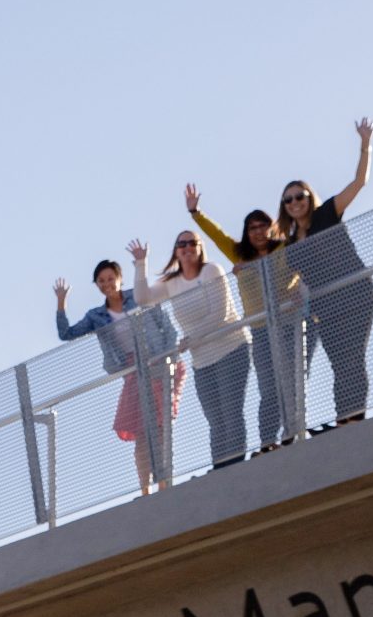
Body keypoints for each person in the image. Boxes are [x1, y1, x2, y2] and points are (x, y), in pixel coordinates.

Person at [278, 118, 373, 428]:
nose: (295, 202)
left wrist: (365, 144)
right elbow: (292, 279)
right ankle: (343, 420)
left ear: (309, 197)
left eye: (300, 196)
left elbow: (359, 182)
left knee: (352, 359)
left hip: (355, 292)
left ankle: (353, 419)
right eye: (289, 199)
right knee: (338, 363)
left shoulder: (328, 213)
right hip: (326, 305)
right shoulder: (291, 244)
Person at [54, 253, 182, 494]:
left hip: (157, 362)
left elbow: (165, 324)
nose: (107, 285)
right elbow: (67, 334)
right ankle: (145, 489)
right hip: (133, 371)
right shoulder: (96, 315)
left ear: (120, 278)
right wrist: (61, 303)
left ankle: (165, 484)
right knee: (141, 431)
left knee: (160, 425)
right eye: (101, 281)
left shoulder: (140, 296)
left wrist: (169, 355)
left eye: (110, 279)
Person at [188, 187, 298, 453]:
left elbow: (302, 260)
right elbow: (217, 237)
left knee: (291, 381)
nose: (258, 232)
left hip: (287, 323)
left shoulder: (285, 248)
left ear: (272, 228)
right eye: (252, 228)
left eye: (262, 226)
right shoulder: (240, 256)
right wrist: (195, 213)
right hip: (260, 330)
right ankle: (268, 441)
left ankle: (293, 432)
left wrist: (297, 289)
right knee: (268, 388)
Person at [138, 228, 251, 469]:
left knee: (231, 411)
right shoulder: (171, 282)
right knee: (215, 419)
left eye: (192, 243)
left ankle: (237, 466)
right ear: (176, 251)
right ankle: (220, 468)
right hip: (202, 360)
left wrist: (191, 339)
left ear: (200, 248)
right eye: (182, 244)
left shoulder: (211, 271)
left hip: (231, 349)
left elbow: (219, 314)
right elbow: (142, 298)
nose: (187, 248)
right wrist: (140, 263)